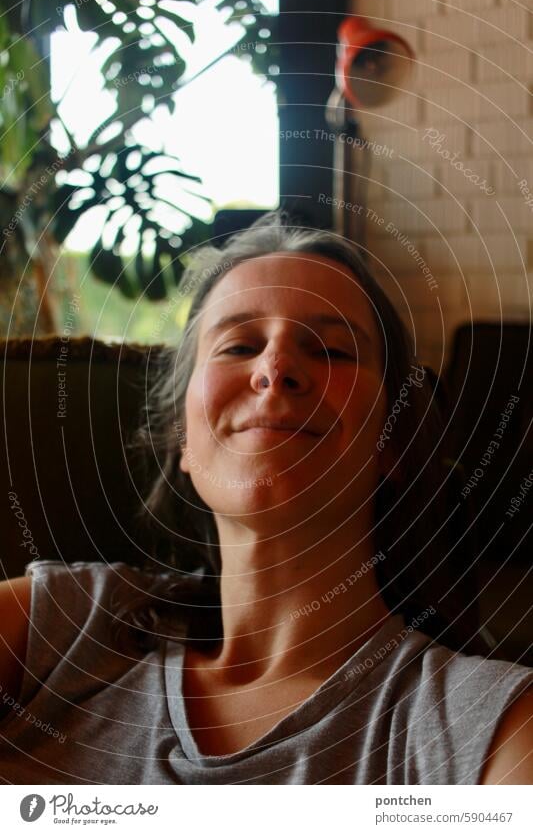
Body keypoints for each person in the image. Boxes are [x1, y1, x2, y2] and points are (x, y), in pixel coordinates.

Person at [0, 213, 532, 785]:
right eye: (238, 345)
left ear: (392, 444)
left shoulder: (485, 731)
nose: (276, 368)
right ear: (183, 438)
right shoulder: (56, 626)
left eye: (332, 350)